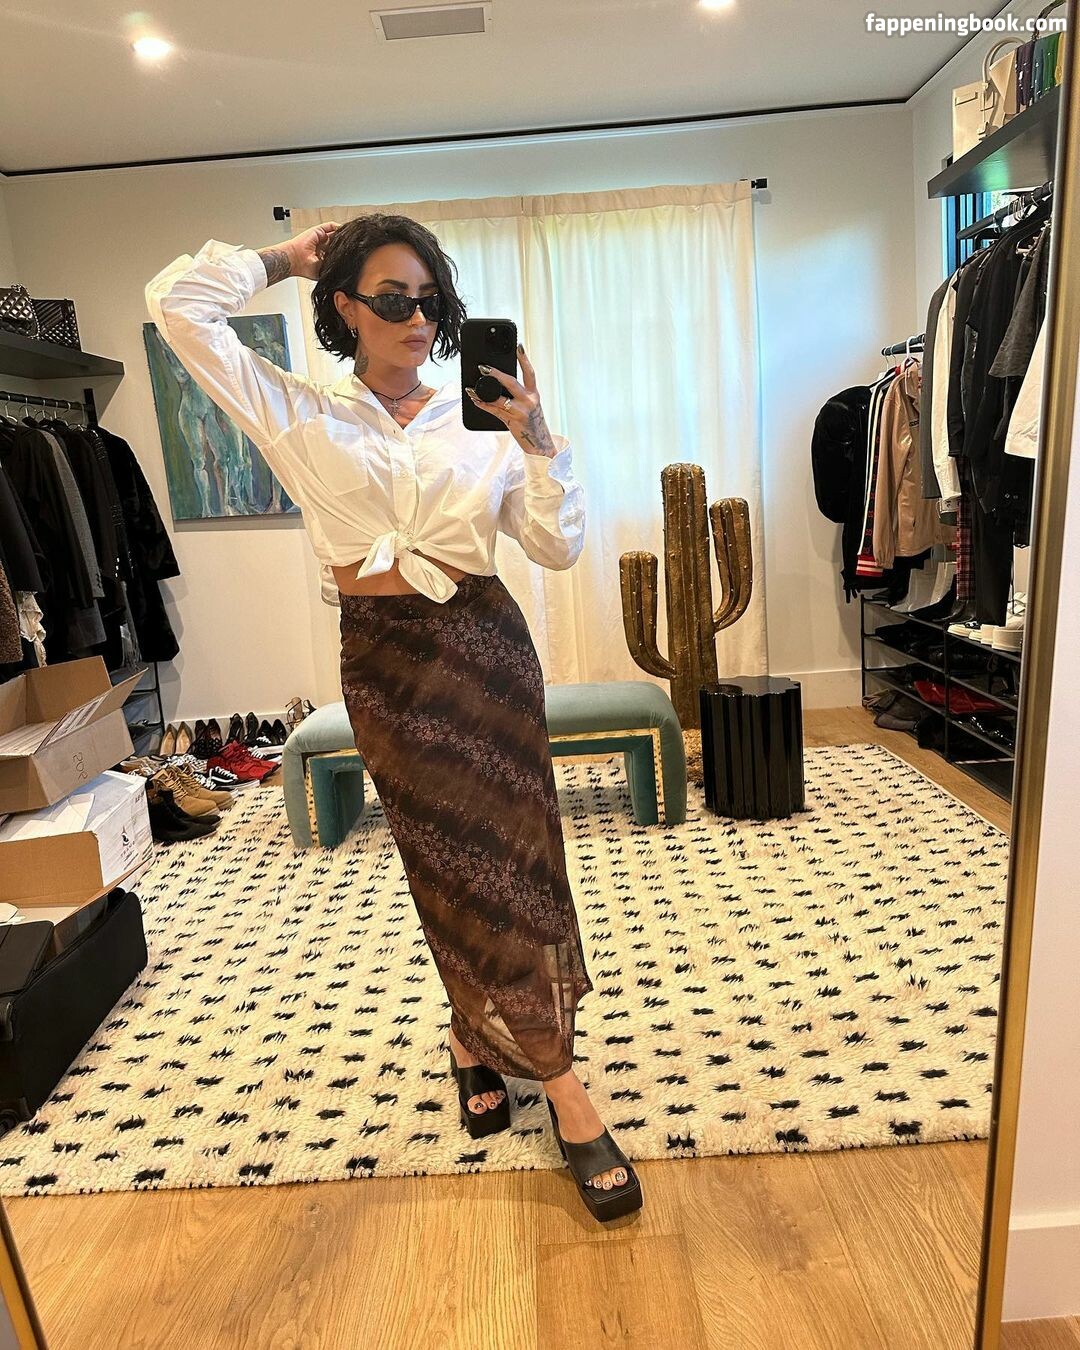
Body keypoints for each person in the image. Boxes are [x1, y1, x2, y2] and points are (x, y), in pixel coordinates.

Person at [145, 215, 642, 1220]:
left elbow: (555, 548)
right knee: (445, 866)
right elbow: (177, 308)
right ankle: (472, 1032)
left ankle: (556, 1078)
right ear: (342, 306)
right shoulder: (296, 409)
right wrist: (286, 258)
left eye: (429, 300)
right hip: (386, 665)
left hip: (488, 655)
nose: (416, 318)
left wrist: (539, 442)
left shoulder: (478, 418)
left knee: (518, 862)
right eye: (390, 298)